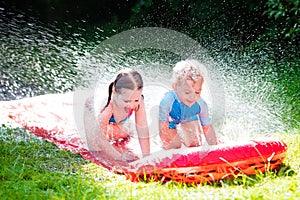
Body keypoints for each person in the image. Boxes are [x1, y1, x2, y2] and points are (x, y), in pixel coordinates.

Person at [84, 69, 150, 162]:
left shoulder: (139, 101)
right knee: (94, 147)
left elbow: (142, 128)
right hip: (91, 112)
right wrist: (119, 157)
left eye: (135, 100)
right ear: (115, 93)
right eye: (127, 101)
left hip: (116, 121)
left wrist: (146, 156)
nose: (131, 105)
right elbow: (100, 139)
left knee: (124, 133)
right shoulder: (108, 107)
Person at [159, 59, 218, 149]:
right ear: (175, 87)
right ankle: (176, 138)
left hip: (188, 116)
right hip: (171, 119)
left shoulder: (200, 105)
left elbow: (207, 128)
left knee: (195, 144)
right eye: (187, 92)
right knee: (174, 146)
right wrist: (166, 142)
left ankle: (182, 137)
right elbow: (163, 127)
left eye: (197, 92)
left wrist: (215, 148)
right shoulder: (167, 101)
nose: (192, 97)